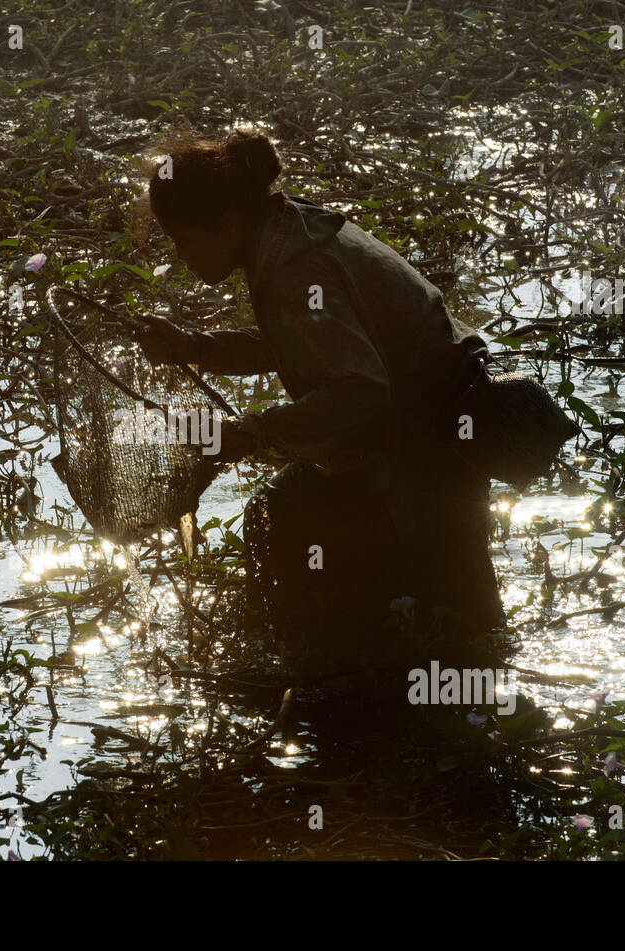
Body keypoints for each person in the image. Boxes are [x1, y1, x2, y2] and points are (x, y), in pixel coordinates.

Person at [135, 129, 505, 674]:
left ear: (229, 225)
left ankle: (324, 676)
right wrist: (197, 348)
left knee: (454, 627)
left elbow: (361, 387)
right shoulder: (289, 229)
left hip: (431, 443)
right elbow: (307, 341)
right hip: (436, 425)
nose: (181, 256)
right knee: (454, 623)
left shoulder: (293, 269)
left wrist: (253, 431)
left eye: (184, 240)